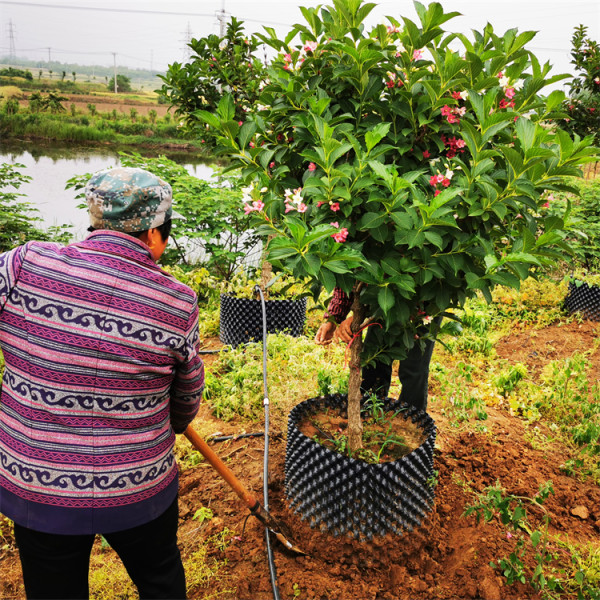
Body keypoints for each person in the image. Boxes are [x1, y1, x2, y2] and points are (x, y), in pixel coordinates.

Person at [0, 167, 204, 600]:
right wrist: (176, 419)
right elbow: (186, 401)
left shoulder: (24, 264)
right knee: (160, 578)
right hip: (138, 485)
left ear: (94, 221)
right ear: (153, 233)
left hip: (41, 484)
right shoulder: (177, 301)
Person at [315, 287, 436, 412]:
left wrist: (363, 314)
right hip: (380, 296)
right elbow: (346, 282)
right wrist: (334, 317)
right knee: (374, 360)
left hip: (420, 300)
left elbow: (402, 284)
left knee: (413, 367)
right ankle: (370, 412)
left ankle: (412, 421)